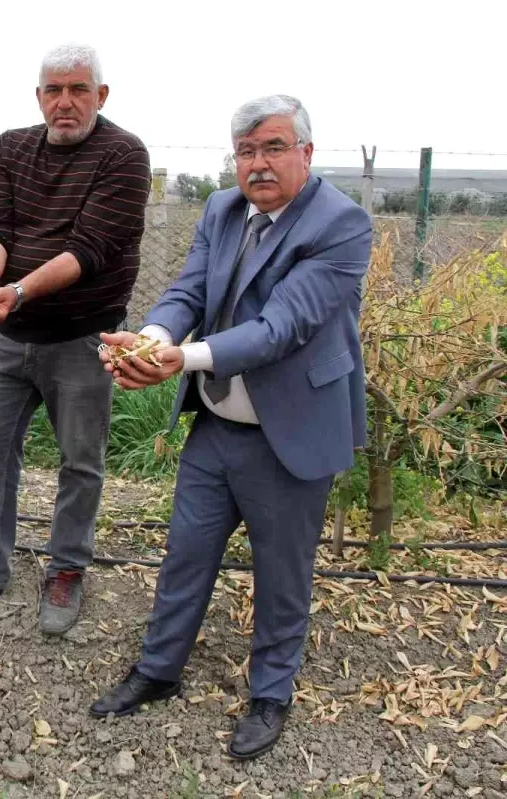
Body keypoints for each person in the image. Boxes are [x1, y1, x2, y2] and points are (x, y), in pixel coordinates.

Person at [89, 95, 371, 760]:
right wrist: (153, 336)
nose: (258, 163)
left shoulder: (341, 224)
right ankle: (158, 670)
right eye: (246, 151)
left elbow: (282, 326)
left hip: (290, 434)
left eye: (273, 147)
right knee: (185, 554)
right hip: (218, 426)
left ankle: (270, 694)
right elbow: (190, 289)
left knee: (282, 575)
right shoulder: (221, 209)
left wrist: (178, 359)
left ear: (306, 152)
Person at [0, 43, 151, 635]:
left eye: (78, 89)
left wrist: (13, 294)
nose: (64, 102)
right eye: (53, 90)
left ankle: (67, 569)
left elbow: (90, 249)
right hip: (9, 338)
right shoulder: (10, 148)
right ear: (38, 96)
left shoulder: (123, 154)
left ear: (102, 95)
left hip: (81, 338)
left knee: (81, 461)